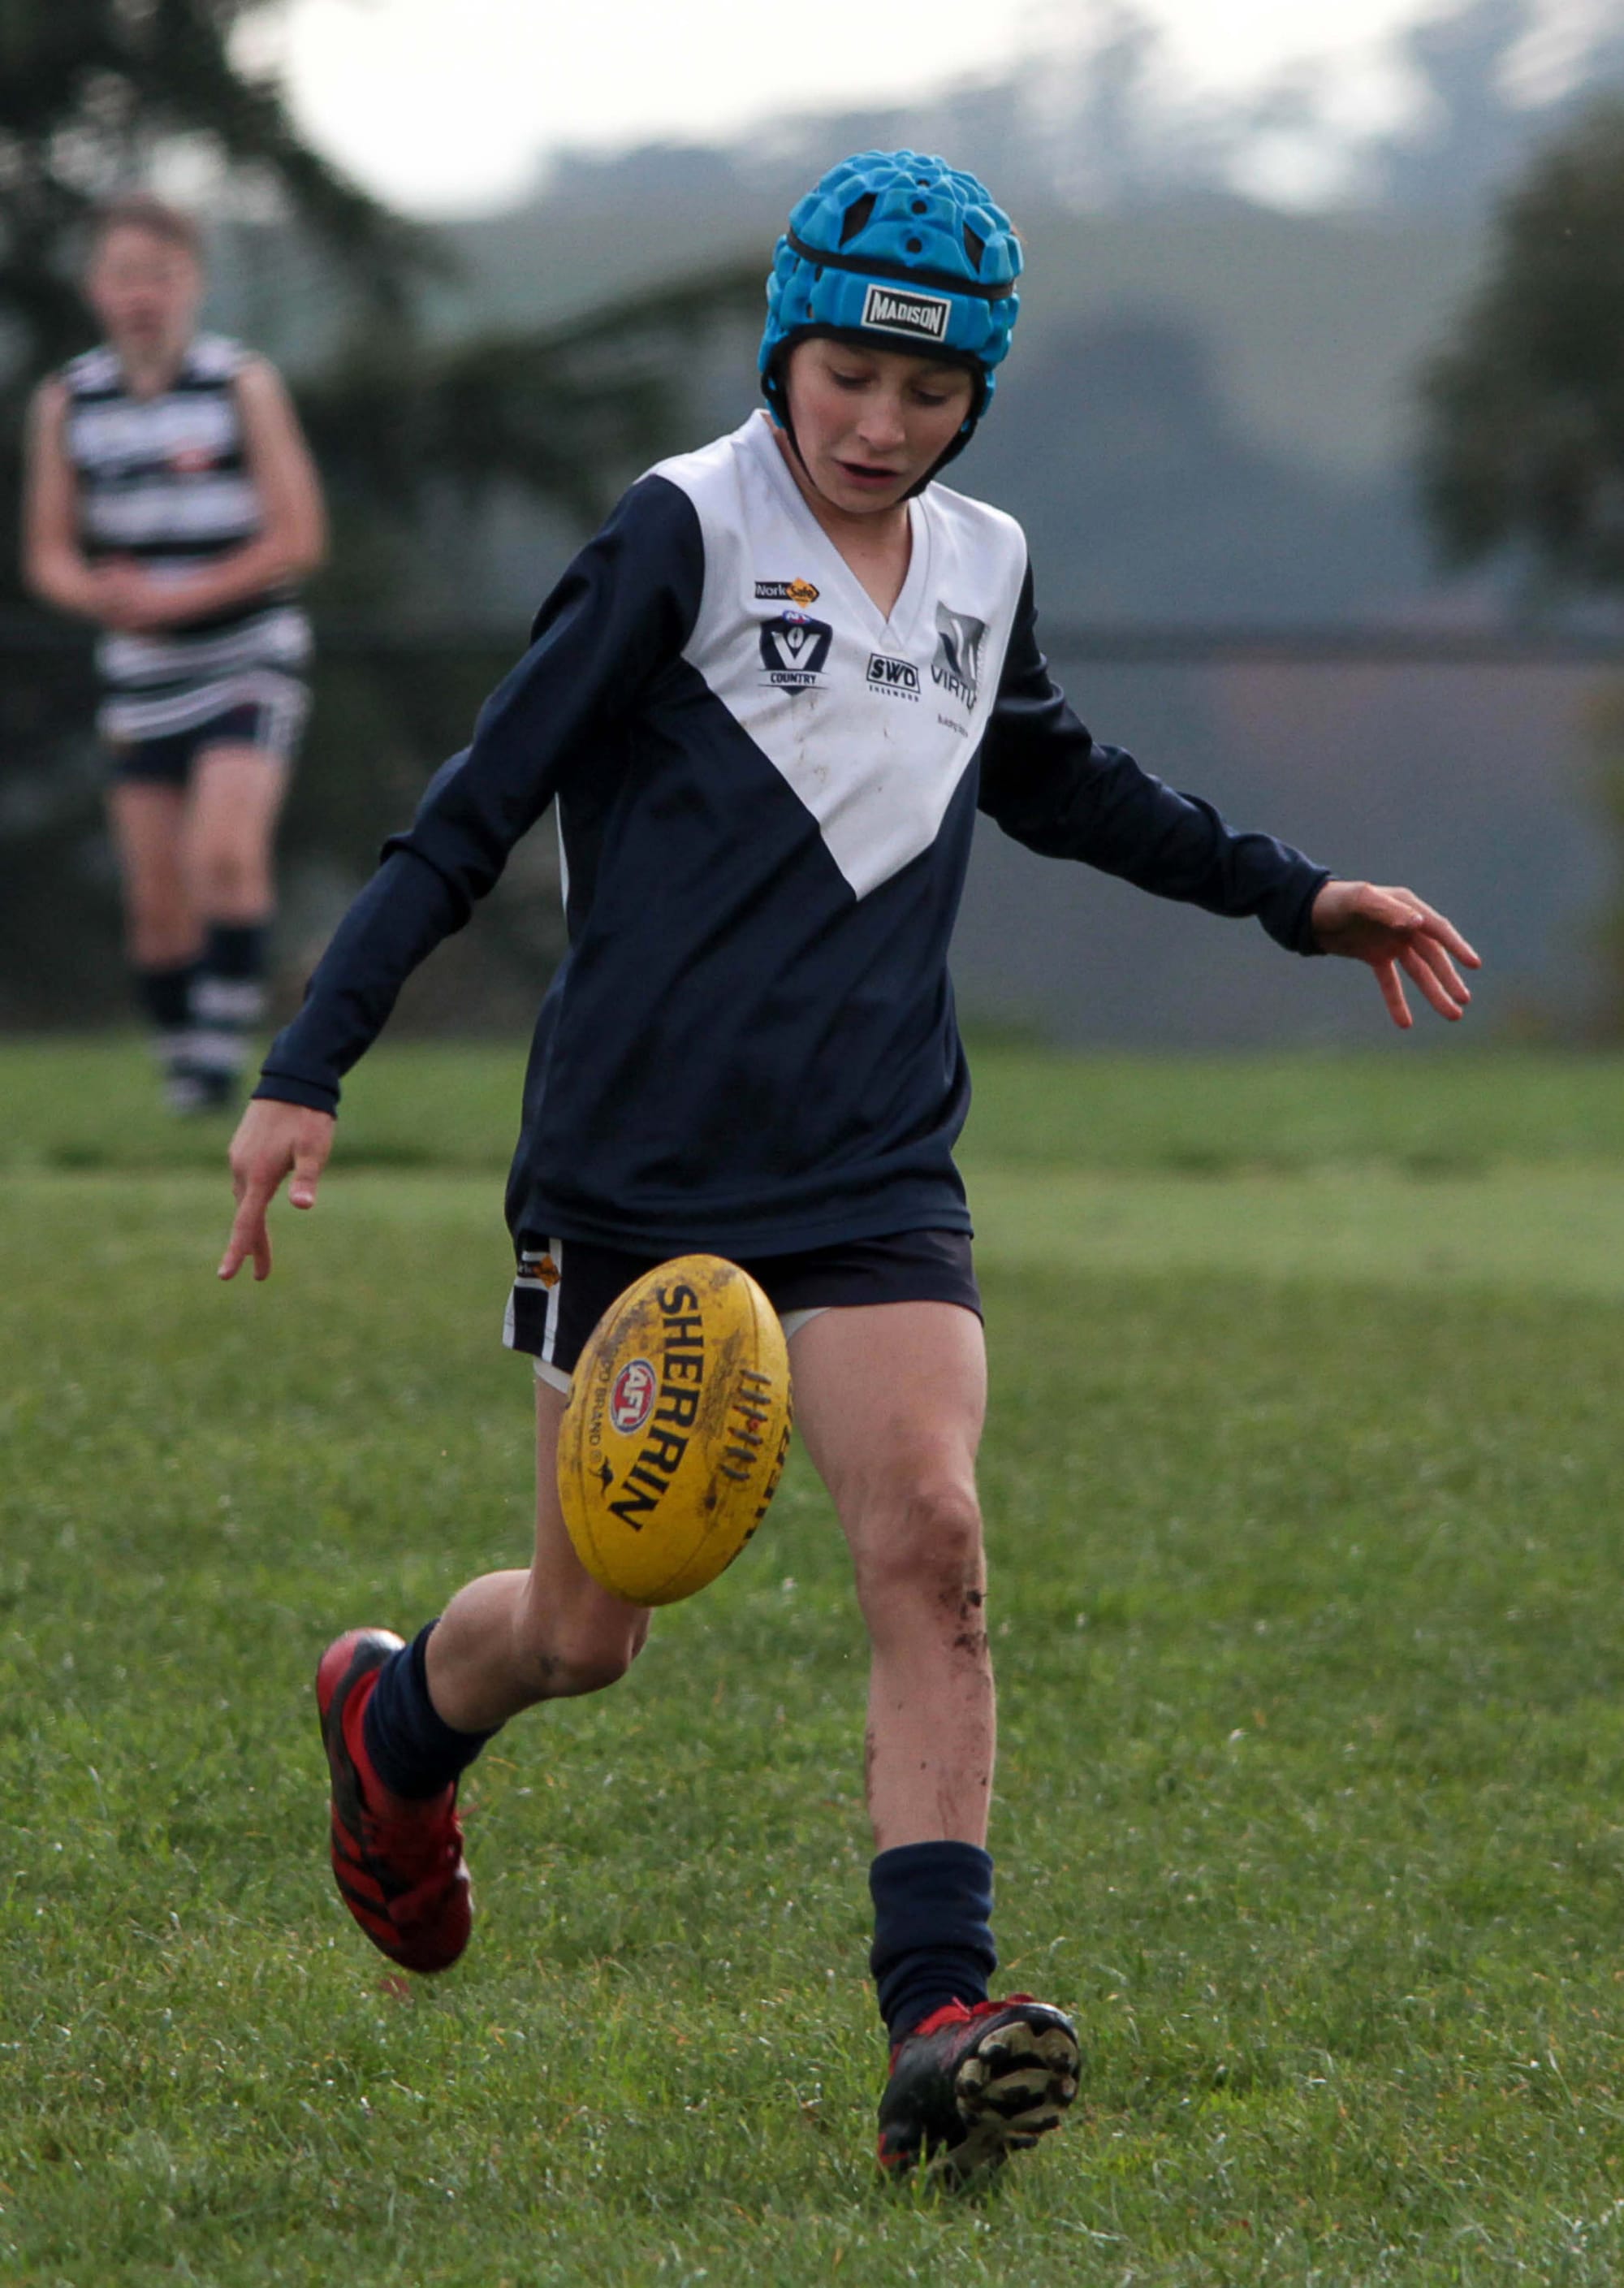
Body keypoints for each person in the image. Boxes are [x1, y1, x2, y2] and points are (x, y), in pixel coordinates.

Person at [217, 151, 1479, 2182]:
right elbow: (474, 802)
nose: (878, 427)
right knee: (585, 1626)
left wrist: (1292, 893)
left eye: (927, 394)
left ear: (976, 394)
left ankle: (938, 2024)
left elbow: (1051, 769)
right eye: (845, 379)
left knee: (930, 1537)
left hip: (874, 1167)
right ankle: (394, 1727)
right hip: (629, 1177)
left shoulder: (981, 564)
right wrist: (308, 1065)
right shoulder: (677, 533)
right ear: (782, 349)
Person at [23, 192, 326, 1111]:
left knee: (224, 854)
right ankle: (180, 1071)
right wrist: (102, 597)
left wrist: (182, 598)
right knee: (156, 901)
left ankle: (219, 1062)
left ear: (190, 284)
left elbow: (296, 538)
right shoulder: (68, 400)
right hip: (141, 672)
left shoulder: (239, 384)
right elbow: (49, 555)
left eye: (159, 275)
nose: (141, 294)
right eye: (124, 275)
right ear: (95, 288)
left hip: (245, 654)